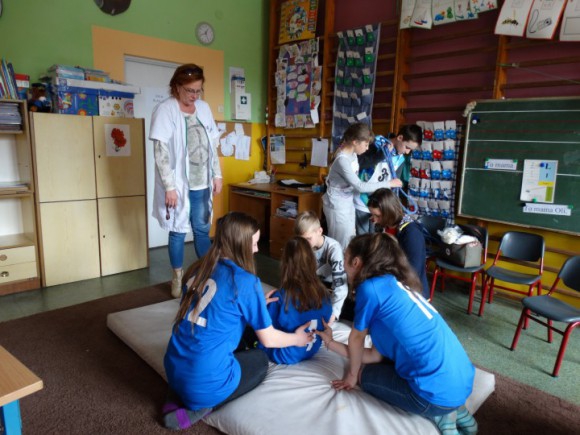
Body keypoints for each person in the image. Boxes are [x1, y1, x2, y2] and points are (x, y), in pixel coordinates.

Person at [163, 212, 313, 430]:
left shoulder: (197, 268)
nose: (257, 250)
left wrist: (255, 303)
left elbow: (213, 308)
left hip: (172, 366)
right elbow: (269, 339)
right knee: (260, 360)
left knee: (218, 344)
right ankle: (201, 407)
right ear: (239, 244)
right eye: (254, 243)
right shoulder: (245, 281)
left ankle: (176, 396)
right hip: (204, 382)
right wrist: (298, 339)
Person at [317, 233, 477, 435]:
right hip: (461, 381)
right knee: (379, 365)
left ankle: (441, 414)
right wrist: (330, 343)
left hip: (435, 396)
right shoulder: (394, 285)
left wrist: (351, 376)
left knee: (364, 375)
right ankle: (455, 409)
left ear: (356, 263)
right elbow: (374, 355)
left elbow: (356, 339)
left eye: (345, 258)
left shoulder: (369, 289)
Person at [150, 63, 223, 298]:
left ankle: (210, 274)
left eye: (198, 90)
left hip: (202, 184)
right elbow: (161, 153)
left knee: (202, 231)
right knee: (178, 231)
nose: (194, 96)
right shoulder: (165, 110)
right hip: (178, 185)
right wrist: (169, 187)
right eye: (190, 90)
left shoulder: (204, 108)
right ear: (177, 87)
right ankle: (177, 276)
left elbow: (212, 145)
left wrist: (217, 174)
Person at [322, 123, 401, 250]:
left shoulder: (353, 155)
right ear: (355, 142)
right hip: (337, 206)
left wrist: (382, 154)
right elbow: (360, 186)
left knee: (349, 240)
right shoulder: (342, 160)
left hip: (347, 203)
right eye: (366, 144)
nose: (367, 148)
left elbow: (365, 167)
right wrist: (389, 183)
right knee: (339, 244)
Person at [259, 236, 332, 364]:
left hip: (286, 354)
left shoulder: (280, 297)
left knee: (253, 330)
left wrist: (261, 308)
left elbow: (267, 331)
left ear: (285, 264)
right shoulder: (323, 294)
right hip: (312, 348)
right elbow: (326, 319)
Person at [355, 125, 423, 235]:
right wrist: (381, 155)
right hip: (361, 199)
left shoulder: (400, 158)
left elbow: (393, 185)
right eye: (407, 147)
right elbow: (358, 164)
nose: (407, 152)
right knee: (363, 237)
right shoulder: (376, 143)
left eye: (410, 150)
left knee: (375, 236)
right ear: (400, 138)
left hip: (379, 205)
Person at [367, 188, 430, 299]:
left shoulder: (411, 233)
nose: (374, 220)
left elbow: (412, 270)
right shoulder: (384, 227)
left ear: (389, 212)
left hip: (411, 292)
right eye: (372, 215)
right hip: (391, 281)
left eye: (377, 216)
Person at [294, 211, 347, 323]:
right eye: (301, 240)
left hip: (330, 289)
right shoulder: (301, 245)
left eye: (308, 239)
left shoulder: (334, 248)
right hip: (311, 286)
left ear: (320, 231)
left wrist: (333, 314)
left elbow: (340, 287)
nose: (304, 244)